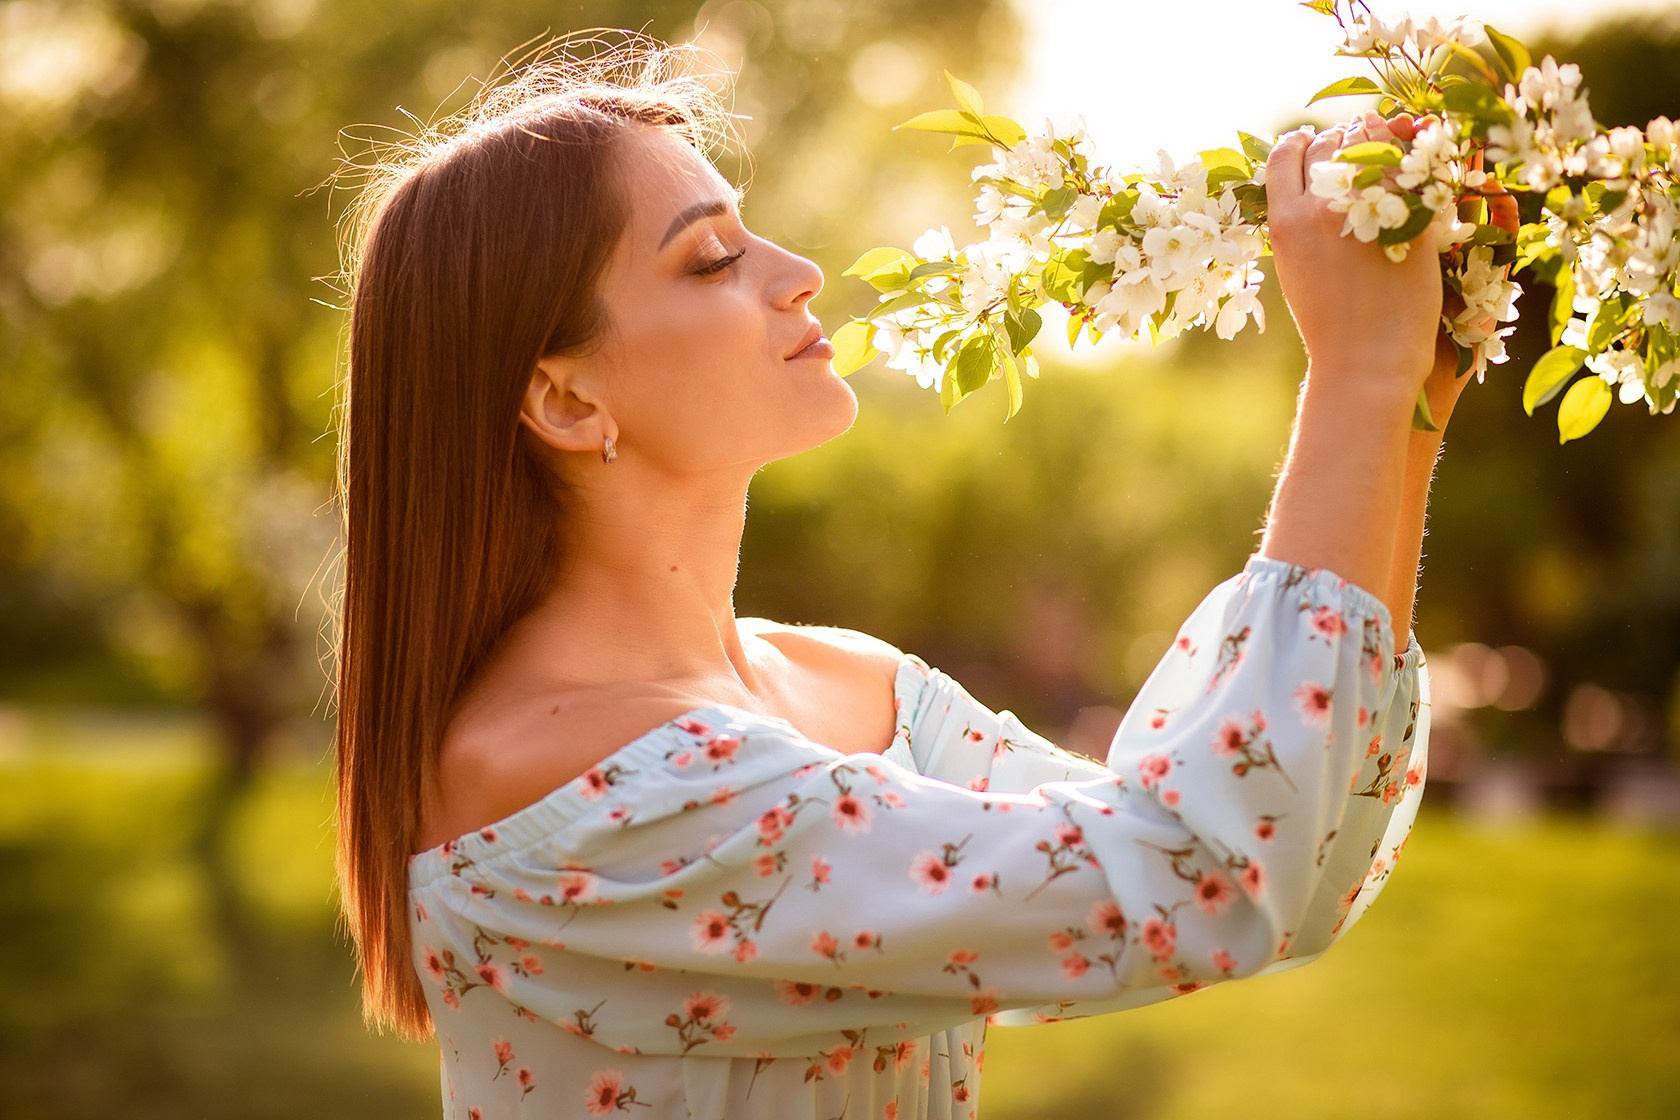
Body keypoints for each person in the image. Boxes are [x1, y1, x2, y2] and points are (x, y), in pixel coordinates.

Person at [332, 37, 1465, 1120]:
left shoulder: (853, 690)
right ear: (570, 401)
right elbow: (1202, 880)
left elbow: (1287, 864)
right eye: (713, 258)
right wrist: (1358, 375)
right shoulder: (579, 778)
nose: (798, 273)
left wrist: (1412, 402)